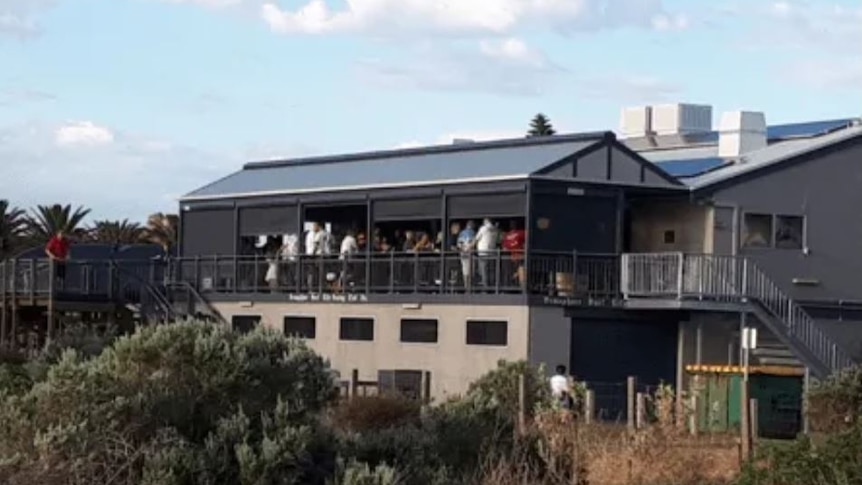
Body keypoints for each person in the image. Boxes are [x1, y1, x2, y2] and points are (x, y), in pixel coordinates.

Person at [502, 220, 526, 288]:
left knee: (517, 271)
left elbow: (504, 248)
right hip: (520, 256)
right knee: (520, 270)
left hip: (513, 257)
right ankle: (521, 286)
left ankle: (516, 284)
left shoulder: (507, 235)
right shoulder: (521, 232)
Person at [474, 218, 498, 287]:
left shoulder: (483, 228)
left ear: (486, 221)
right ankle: (492, 287)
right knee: (491, 271)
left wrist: (469, 247)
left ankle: (486, 287)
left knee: (484, 271)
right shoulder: (495, 229)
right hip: (492, 253)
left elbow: (476, 238)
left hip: (483, 253)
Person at [457, 221, 476, 288]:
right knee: (471, 271)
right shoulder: (473, 233)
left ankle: (466, 287)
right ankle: (470, 287)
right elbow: (473, 243)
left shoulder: (461, 233)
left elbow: (459, 244)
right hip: (470, 253)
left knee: (465, 271)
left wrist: (463, 249)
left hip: (463, 253)